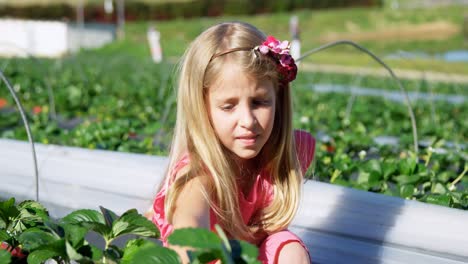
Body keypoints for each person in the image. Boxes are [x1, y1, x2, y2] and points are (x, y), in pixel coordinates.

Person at [151, 21, 315, 264]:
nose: (247, 121)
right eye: (228, 106)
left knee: (289, 249)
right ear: (202, 109)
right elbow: (188, 230)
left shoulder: (292, 152)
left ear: (278, 98)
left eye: (259, 102)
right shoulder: (197, 177)